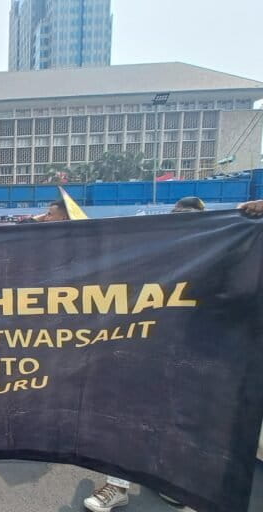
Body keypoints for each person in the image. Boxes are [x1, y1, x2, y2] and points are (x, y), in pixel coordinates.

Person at [82, 197, 206, 511]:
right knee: (126, 417)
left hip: (193, 355)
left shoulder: (217, 255)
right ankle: (117, 486)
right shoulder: (152, 254)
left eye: (188, 218)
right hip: (143, 349)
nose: (181, 223)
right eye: (177, 217)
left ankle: (172, 478)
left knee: (179, 420)